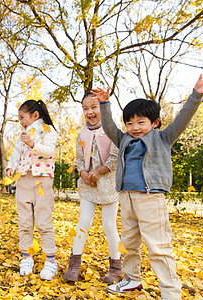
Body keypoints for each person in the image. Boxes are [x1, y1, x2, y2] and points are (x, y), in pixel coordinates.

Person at [93, 72, 203, 300]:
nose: (134, 127)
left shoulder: (163, 138)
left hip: (151, 198)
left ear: (155, 123)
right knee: (129, 243)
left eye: (141, 122)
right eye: (130, 123)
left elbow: (183, 118)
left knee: (159, 247)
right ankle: (132, 280)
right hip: (127, 197)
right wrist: (104, 103)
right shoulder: (123, 139)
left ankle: (170, 293)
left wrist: (197, 95)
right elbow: (109, 125)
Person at [63, 92, 122, 283]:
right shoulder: (82, 133)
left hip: (108, 183)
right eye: (85, 108)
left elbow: (116, 156)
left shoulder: (112, 129)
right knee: (83, 223)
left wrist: (99, 171)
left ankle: (116, 267)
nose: (89, 112)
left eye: (94, 107)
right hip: (88, 183)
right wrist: (82, 173)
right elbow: (79, 158)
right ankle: (74, 265)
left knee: (109, 225)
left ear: (102, 108)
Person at [6, 99, 58, 280]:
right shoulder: (24, 133)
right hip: (24, 180)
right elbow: (16, 152)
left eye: (22, 117)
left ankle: (51, 260)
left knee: (43, 222)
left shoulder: (49, 131)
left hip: (42, 180)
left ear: (35, 115)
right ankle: (27, 257)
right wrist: (10, 166)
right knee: (25, 221)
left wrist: (32, 143)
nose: (21, 122)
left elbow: (49, 152)